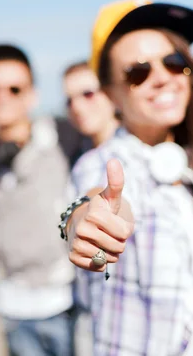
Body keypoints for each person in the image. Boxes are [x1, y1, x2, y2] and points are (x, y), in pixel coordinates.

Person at [61, 0, 193, 356]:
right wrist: (88, 221)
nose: (161, 78)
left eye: (173, 63)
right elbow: (93, 200)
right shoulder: (105, 163)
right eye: (137, 72)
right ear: (111, 94)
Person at [0, 44, 83, 356]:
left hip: (65, 304)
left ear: (33, 95)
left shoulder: (63, 136)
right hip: (13, 309)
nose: (3, 97)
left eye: (14, 89)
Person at [62, 61, 120, 356]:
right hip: (91, 312)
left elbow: (94, 197)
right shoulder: (82, 155)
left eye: (88, 93)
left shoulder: (111, 159)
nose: (77, 106)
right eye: (69, 99)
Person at [63, 61, 120, 150]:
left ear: (111, 92)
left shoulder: (140, 147)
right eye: (69, 101)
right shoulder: (76, 156)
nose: (77, 107)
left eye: (88, 94)